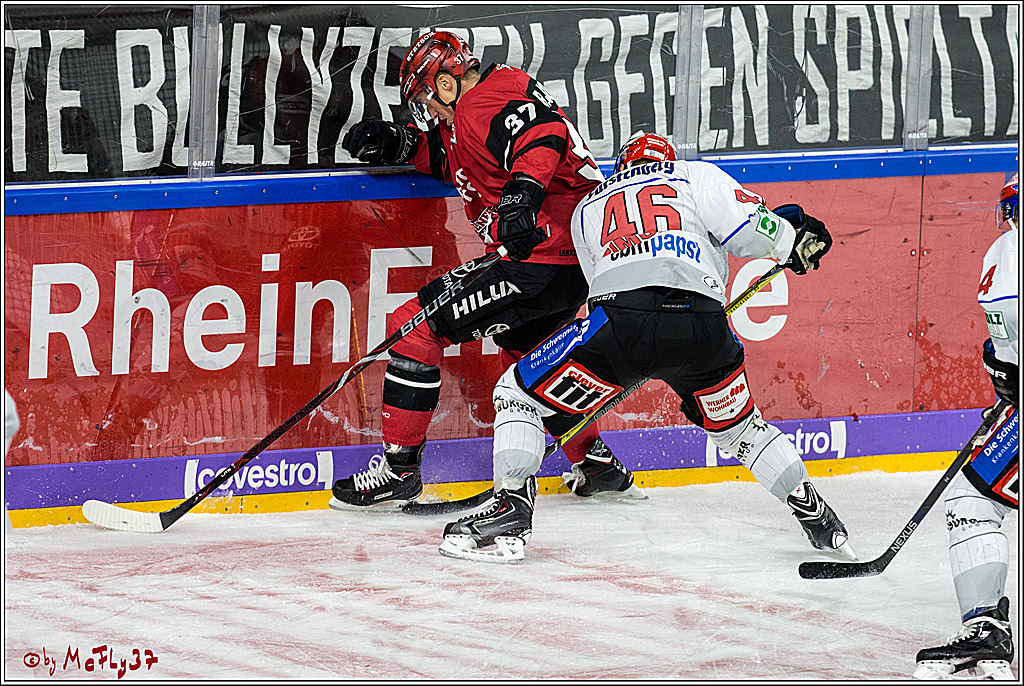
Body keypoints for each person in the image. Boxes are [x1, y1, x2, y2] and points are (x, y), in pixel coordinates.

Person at [439, 131, 855, 564]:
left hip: (622, 325)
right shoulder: (695, 176)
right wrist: (792, 241)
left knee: (517, 394)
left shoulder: (590, 205)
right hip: (703, 328)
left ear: (623, 165)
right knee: (743, 431)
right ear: (668, 159)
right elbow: (753, 232)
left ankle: (510, 510)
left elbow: (598, 278)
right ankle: (820, 519)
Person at [330, 31, 645, 508]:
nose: (427, 111)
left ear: (446, 81)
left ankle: (397, 471)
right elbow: (456, 157)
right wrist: (398, 144)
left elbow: (544, 136)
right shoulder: (485, 102)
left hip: (536, 258)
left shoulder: (482, 103)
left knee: (413, 329)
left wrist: (522, 198)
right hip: (567, 261)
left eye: (424, 98)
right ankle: (595, 464)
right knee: (534, 363)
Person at [914, 174, 1018, 681]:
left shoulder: (1007, 253)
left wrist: (1007, 385)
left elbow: (1007, 347)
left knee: (972, 501)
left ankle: (986, 630)